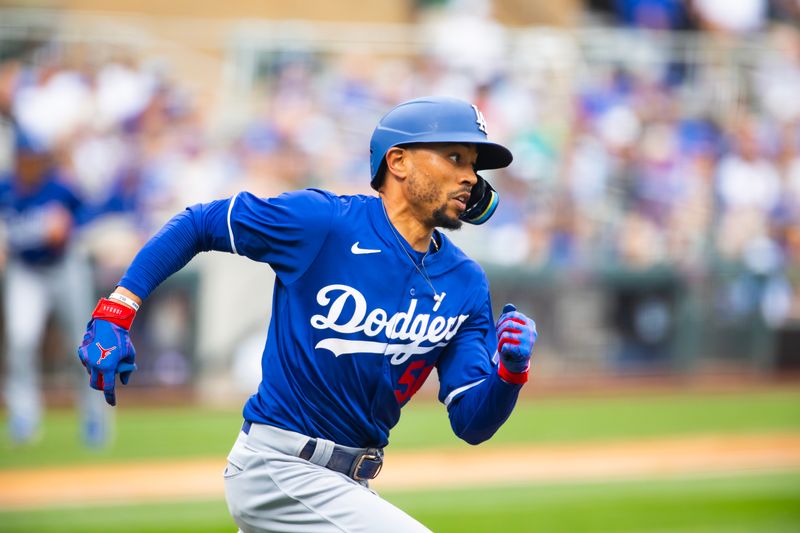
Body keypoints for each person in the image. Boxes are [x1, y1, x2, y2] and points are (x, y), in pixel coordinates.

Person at [77, 96, 538, 532]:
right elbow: (200, 223)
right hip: (280, 468)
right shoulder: (323, 222)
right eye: (455, 157)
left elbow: (472, 422)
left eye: (474, 165)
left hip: (349, 482)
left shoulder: (466, 281)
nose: (471, 177)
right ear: (397, 162)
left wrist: (510, 373)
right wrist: (117, 310)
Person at [1, 129, 111, 446]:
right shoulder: (6, 187)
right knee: (21, 341)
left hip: (65, 268)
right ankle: (24, 416)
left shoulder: (59, 186)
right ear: (19, 159)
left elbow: (93, 211)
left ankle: (94, 415)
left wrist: (70, 225)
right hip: (26, 271)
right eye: (29, 158)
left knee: (82, 344)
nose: (34, 164)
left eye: (39, 158)